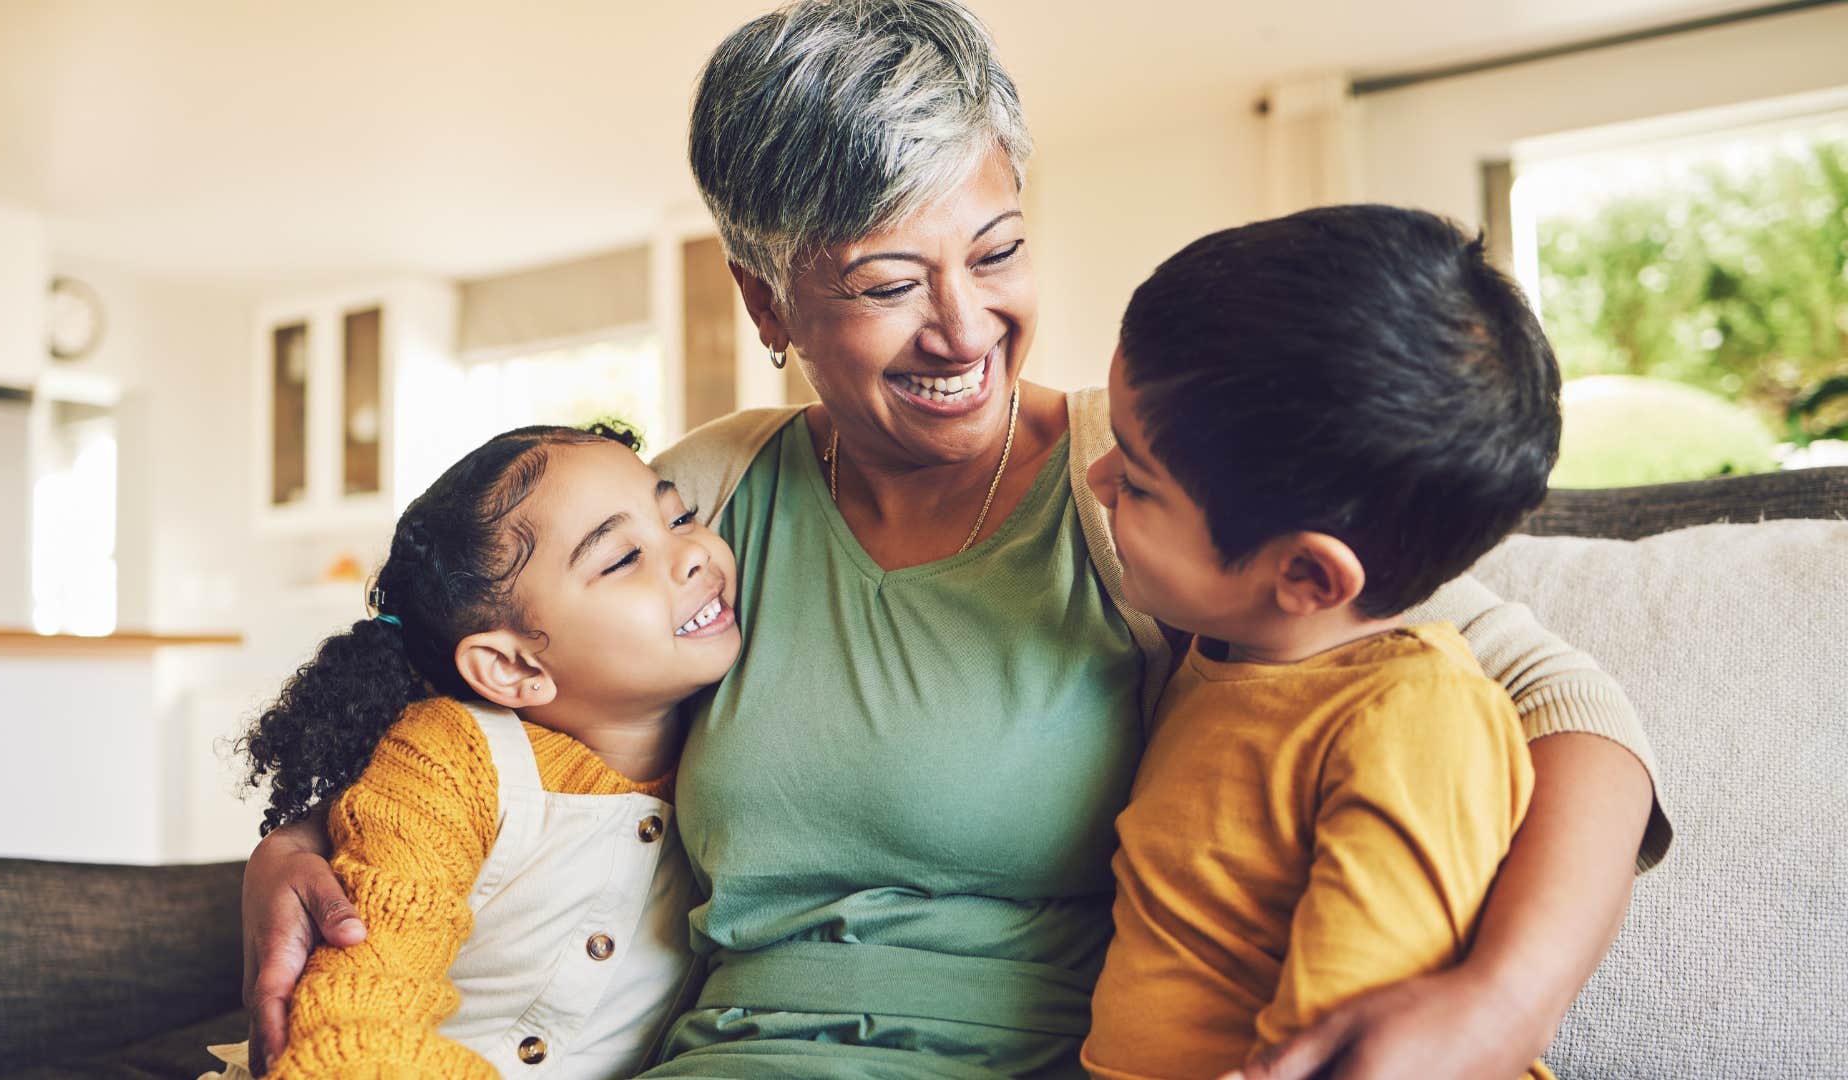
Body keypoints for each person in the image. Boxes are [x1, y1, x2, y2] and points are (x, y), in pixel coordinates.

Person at [239, 4, 1671, 1078]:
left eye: (995, 251)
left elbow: (1559, 703)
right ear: (768, 303)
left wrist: (1497, 1006)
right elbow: (491, 690)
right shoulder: (706, 503)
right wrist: (299, 841)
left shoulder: (1149, 501)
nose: (964, 328)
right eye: (883, 281)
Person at [1080, 206, 1566, 1080]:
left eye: (1139, 485)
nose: (1096, 478)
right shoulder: (1224, 656)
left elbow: (1342, 1054)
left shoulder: (1413, 720)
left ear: (1306, 577)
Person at [209, 424, 740, 1079]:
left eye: (679, 516)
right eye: (621, 559)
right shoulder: (447, 759)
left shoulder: (734, 739)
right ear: (511, 667)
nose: (692, 554)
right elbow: (355, 1035)